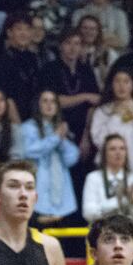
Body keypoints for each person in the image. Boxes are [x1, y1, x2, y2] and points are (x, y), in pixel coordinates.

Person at [21, 90, 79, 227]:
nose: (49, 105)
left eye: (53, 101)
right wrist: (55, 138)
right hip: (39, 194)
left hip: (63, 197)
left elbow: (72, 158)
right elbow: (30, 151)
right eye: (45, 101)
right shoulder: (28, 127)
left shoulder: (61, 129)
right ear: (37, 105)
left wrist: (61, 139)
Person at [82, 134, 133, 224]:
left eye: (122, 148)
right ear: (104, 153)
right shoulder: (93, 178)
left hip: (128, 232)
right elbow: (88, 213)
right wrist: (119, 201)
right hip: (102, 232)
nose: (118, 153)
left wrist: (132, 202)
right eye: (112, 149)